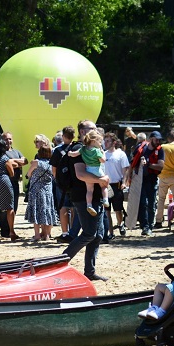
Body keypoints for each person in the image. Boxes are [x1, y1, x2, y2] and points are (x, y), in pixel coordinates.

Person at [63, 119, 109, 282]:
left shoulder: (94, 148)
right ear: (82, 131)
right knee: (89, 233)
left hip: (96, 196)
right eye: (92, 128)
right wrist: (102, 180)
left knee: (98, 235)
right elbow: (81, 174)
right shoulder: (78, 148)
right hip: (83, 197)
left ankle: (89, 271)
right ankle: (61, 261)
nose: (96, 131)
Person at [25, 144, 57, 242]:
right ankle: (47, 235)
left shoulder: (36, 162)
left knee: (36, 212)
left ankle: (37, 235)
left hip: (36, 190)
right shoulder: (52, 164)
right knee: (47, 211)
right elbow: (54, 176)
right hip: (47, 191)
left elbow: (28, 174)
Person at [0, 132, 27, 240]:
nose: (8, 141)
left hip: (15, 183)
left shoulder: (16, 151)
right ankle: (4, 231)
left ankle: (11, 229)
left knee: (14, 207)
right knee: (4, 208)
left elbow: (25, 161)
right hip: (5, 183)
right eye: (6, 139)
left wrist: (12, 161)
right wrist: (16, 163)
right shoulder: (1, 152)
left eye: (10, 139)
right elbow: (8, 164)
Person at [155, 131, 174, 228]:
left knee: (161, 199)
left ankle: (158, 220)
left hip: (163, 176)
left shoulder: (162, 147)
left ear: (168, 138)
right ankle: (170, 220)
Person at [103, 134, 129, 238]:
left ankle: (120, 223)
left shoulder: (120, 154)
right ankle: (111, 233)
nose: (106, 143)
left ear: (114, 142)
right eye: (105, 141)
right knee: (107, 210)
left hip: (117, 185)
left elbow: (125, 170)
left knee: (118, 209)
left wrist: (124, 182)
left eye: (108, 141)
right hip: (106, 185)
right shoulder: (103, 154)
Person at [79, 130, 109, 217]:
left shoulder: (83, 149)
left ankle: (89, 205)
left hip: (88, 171)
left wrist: (70, 153)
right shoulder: (96, 150)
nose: (100, 144)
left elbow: (75, 154)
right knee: (104, 186)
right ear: (93, 141)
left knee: (89, 190)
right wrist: (103, 153)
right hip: (97, 170)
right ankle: (105, 200)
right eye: (99, 141)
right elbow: (102, 161)